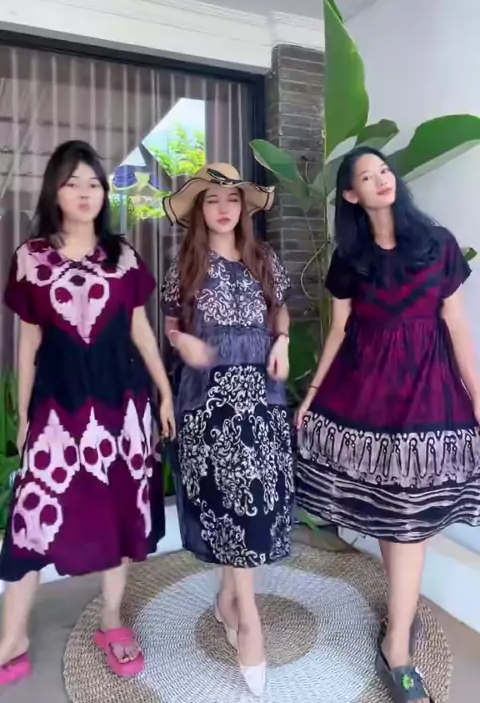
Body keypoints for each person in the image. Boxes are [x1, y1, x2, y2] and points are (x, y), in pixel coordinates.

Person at [296, 146, 480, 703]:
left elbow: (456, 325)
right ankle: (400, 617)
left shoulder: (437, 244)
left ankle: (396, 643)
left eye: (384, 171)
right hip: (368, 393)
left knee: (414, 518)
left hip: (427, 391)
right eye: (367, 176)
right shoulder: (351, 258)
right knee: (387, 509)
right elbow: (339, 330)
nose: (381, 179)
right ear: (351, 195)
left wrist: (477, 394)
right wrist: (313, 393)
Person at [0, 140, 175, 687]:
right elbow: (28, 344)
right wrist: (23, 413)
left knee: (119, 512)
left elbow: (141, 332)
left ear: (104, 193)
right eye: (72, 182)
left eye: (94, 183)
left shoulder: (124, 257)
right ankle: (12, 638)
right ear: (54, 191)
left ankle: (112, 619)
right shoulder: (30, 257)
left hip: (123, 408)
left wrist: (165, 392)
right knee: (30, 521)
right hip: (58, 409)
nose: (84, 192)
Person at [161, 163, 294, 697]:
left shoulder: (264, 259)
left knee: (254, 506)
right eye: (212, 199)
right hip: (208, 399)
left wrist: (282, 342)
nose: (223, 208)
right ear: (200, 209)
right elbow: (171, 325)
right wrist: (182, 341)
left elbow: (280, 313)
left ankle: (227, 600)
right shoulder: (186, 264)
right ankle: (249, 622)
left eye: (232, 199)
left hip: (261, 396)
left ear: (243, 208)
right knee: (230, 505)